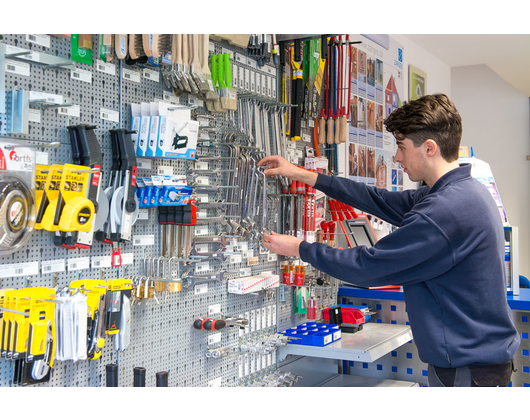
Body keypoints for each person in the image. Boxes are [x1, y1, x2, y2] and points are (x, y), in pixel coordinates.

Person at [259, 93, 520, 387]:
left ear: (429, 148)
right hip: (479, 365)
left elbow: (367, 266)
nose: (396, 157)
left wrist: (300, 248)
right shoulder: (461, 192)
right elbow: (378, 200)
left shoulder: (445, 210)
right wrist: (304, 174)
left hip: (467, 372)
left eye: (401, 147)